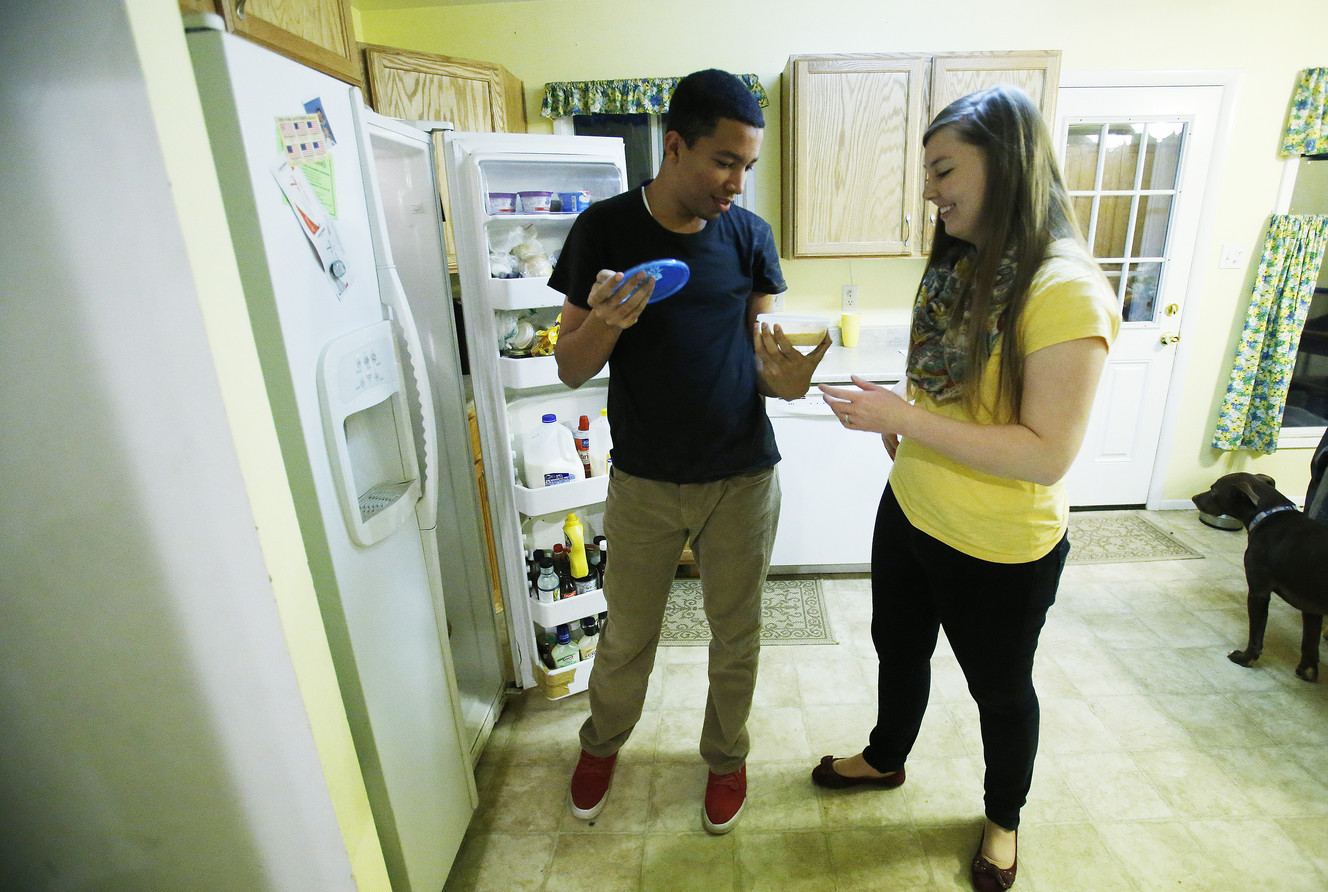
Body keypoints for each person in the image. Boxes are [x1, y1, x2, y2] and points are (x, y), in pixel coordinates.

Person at [814, 86, 1120, 891]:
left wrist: (906, 420)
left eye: (944, 169)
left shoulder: (1065, 291)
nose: (929, 190)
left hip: (1001, 547)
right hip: (913, 509)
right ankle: (886, 758)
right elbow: (955, 397)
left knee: (1000, 691)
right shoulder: (958, 264)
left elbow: (1046, 454)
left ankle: (1002, 820)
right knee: (898, 647)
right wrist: (904, 418)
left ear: (1008, 162)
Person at [549, 69, 829, 834]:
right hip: (643, 479)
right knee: (628, 634)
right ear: (674, 147)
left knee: (737, 635)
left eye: (748, 166)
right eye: (723, 162)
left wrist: (788, 383)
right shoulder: (602, 230)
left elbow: (763, 358)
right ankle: (602, 745)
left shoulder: (749, 237)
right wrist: (608, 321)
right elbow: (572, 364)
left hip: (742, 475)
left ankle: (726, 758)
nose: (737, 184)